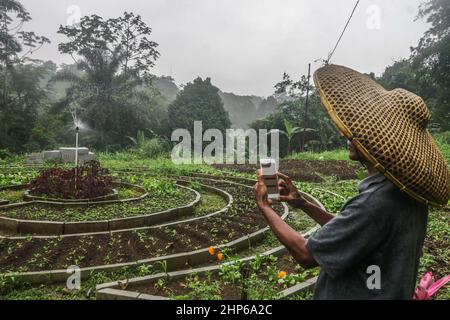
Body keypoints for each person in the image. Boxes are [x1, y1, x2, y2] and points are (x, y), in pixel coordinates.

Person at [254, 64, 450, 300]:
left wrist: (264, 206)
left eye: (362, 129)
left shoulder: (376, 202)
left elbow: (306, 255)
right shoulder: (407, 192)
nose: (347, 134)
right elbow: (358, 231)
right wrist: (303, 204)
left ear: (381, 140)